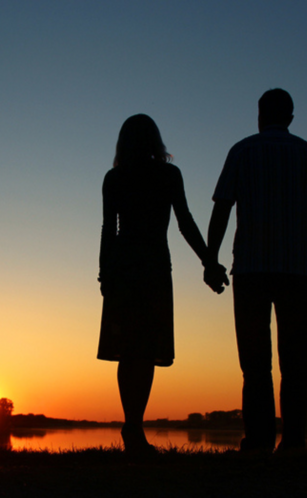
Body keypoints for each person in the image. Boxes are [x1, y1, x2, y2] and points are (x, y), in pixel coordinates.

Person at [203, 88, 307, 453]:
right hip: (297, 271)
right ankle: (293, 441)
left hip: (252, 270)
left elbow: (222, 208)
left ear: (259, 115)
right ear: (290, 117)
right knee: (297, 362)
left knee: (255, 363)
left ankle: (259, 441)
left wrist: (211, 260)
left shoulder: (242, 151)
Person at [97, 114, 223, 454]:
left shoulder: (115, 177)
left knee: (131, 350)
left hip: (126, 268)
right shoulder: (167, 174)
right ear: (155, 141)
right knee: (144, 349)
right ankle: (133, 428)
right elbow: (185, 222)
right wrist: (208, 261)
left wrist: (105, 273)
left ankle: (133, 426)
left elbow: (109, 230)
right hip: (152, 268)